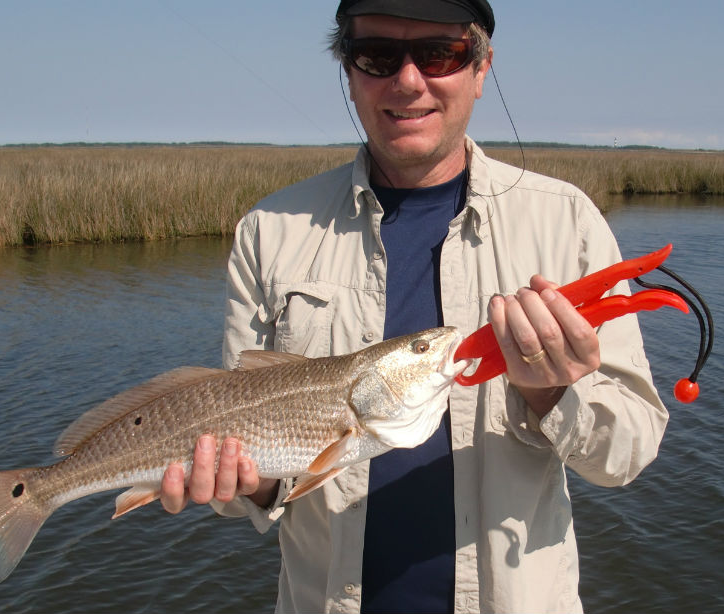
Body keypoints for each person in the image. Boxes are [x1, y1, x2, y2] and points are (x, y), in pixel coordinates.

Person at [160, 0, 668, 612]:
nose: (407, 80)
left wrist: (552, 395)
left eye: (438, 54)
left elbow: (628, 452)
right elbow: (247, 465)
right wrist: (249, 482)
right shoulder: (270, 231)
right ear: (348, 73)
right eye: (376, 55)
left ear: (481, 70)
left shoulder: (567, 222)